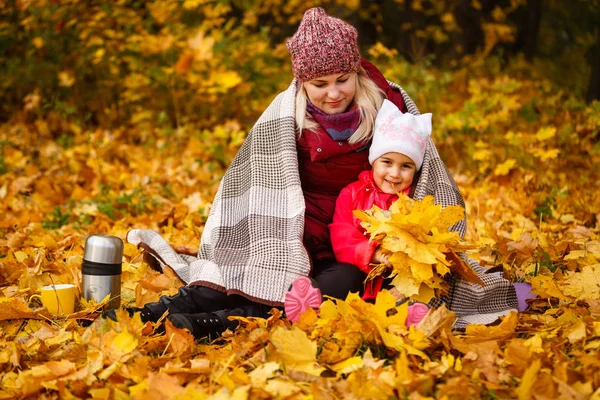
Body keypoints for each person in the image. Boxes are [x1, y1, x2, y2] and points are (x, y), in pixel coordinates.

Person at [107, 7, 522, 338]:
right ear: (302, 82)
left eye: (343, 79)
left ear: (357, 71)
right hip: (295, 228)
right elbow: (256, 179)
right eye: (319, 84)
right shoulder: (285, 116)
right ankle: (161, 311)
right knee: (240, 272)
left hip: (357, 239)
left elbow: (427, 172)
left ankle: (221, 323)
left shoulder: (388, 108)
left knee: (312, 295)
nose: (334, 93)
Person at [327, 99, 432, 327]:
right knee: (341, 278)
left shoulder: (414, 202)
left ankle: (404, 318)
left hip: (395, 279)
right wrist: (372, 254)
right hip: (359, 273)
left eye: (406, 166)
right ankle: (313, 304)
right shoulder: (352, 194)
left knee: (413, 292)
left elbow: (426, 244)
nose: (394, 174)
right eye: (387, 162)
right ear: (374, 161)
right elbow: (342, 235)